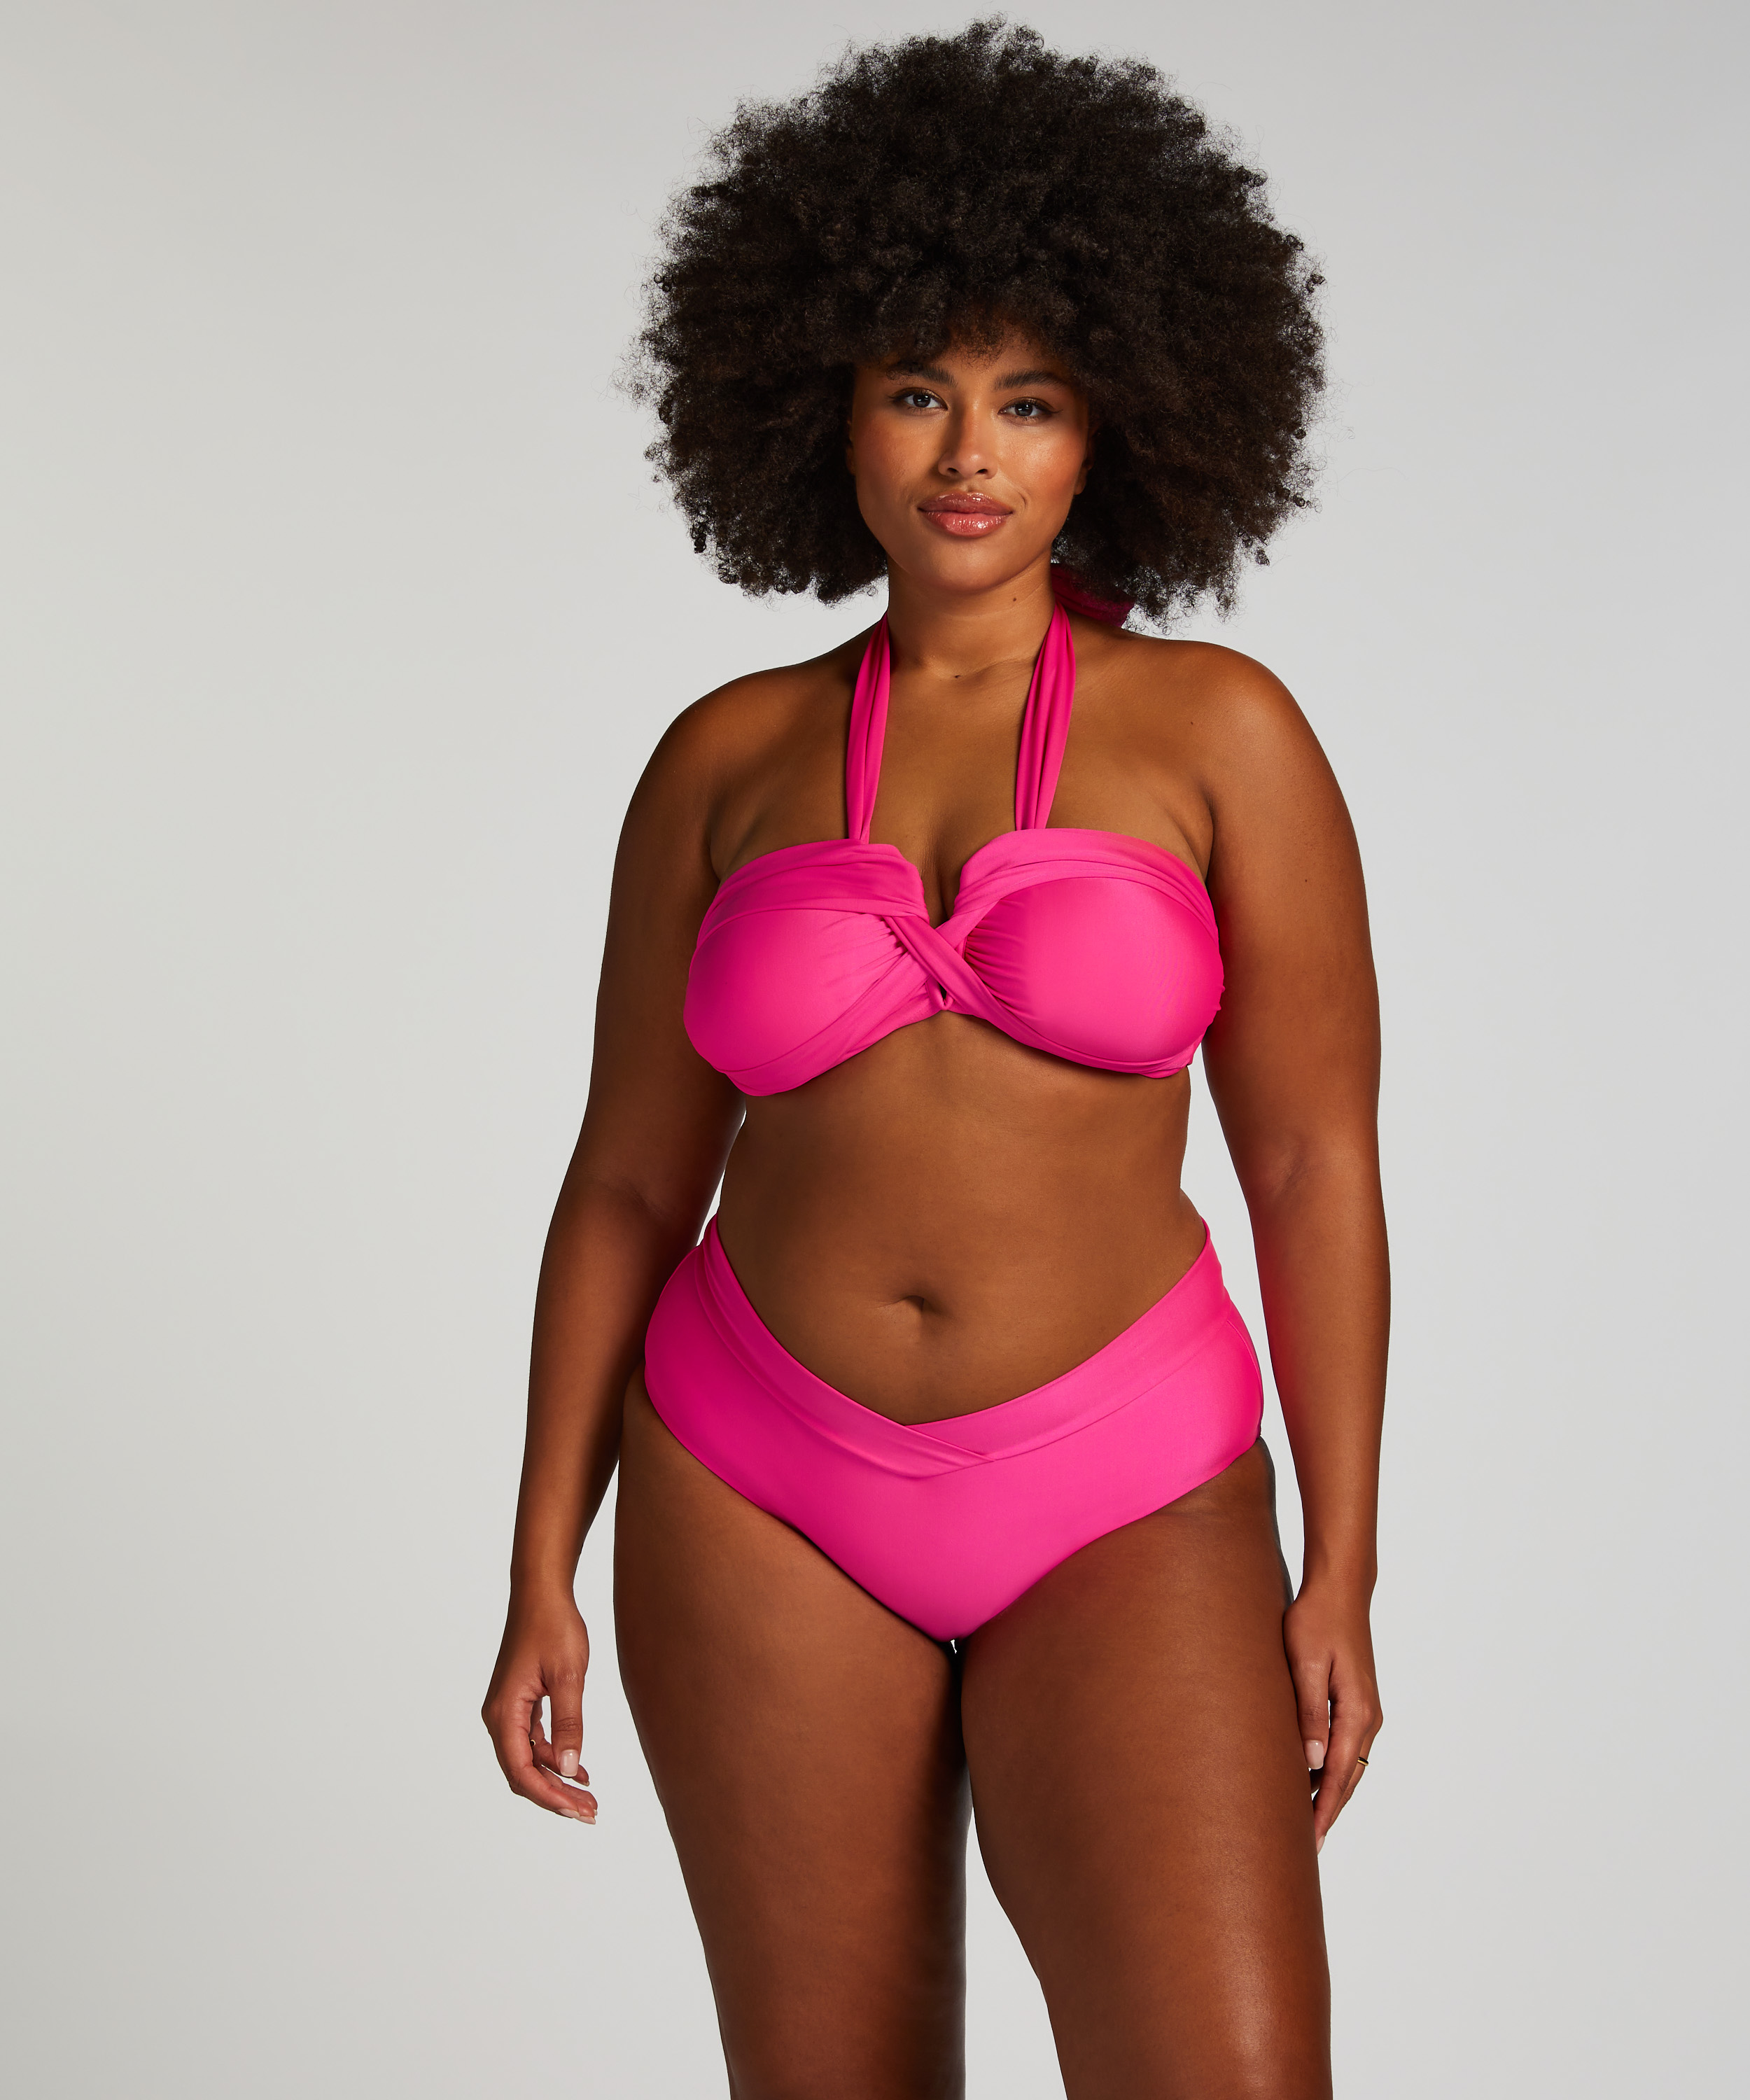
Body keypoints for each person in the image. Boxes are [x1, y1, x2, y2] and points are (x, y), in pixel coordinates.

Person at [482, 22, 1385, 2097]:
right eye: (916, 390)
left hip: (1124, 1479)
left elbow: (1311, 1165)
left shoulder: (1221, 731)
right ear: (826, 408)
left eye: (1028, 400)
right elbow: (627, 1180)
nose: (968, 453)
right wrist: (540, 1557)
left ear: (1113, 429)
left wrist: (1341, 1559)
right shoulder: (726, 756)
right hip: (752, 1481)